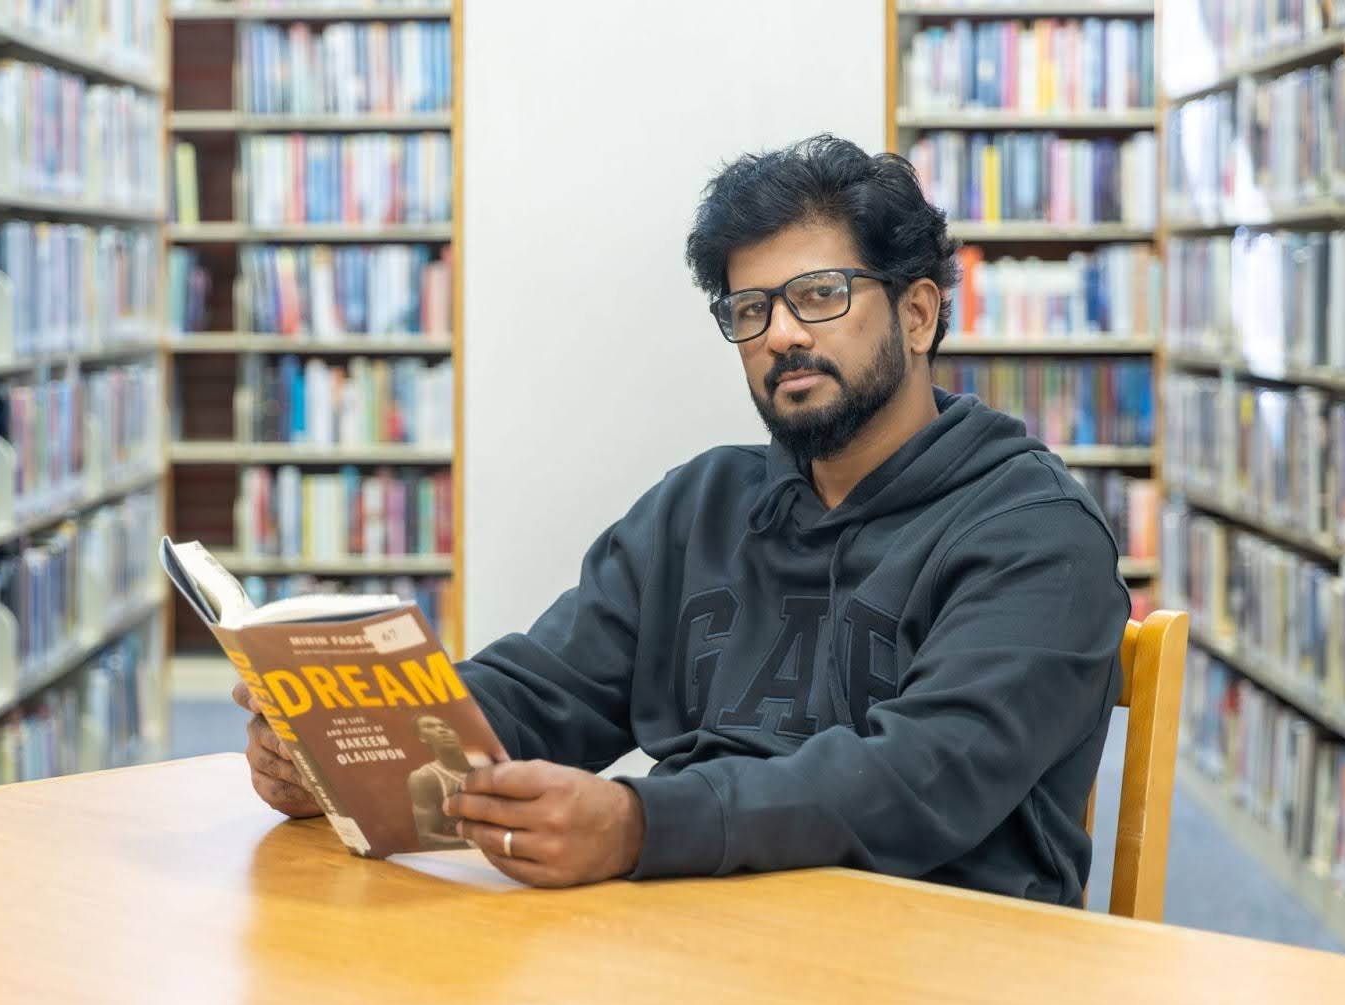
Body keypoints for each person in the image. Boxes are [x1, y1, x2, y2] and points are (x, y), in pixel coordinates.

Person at [239, 133, 1128, 902]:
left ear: (919, 312)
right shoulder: (703, 506)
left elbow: (922, 777)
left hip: (944, 965)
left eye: (820, 294)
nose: (781, 334)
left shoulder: (1035, 534)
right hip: (703, 939)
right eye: (751, 309)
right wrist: (359, 750)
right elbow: (548, 689)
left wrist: (639, 825)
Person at [407, 715, 475, 848]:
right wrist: (478, 843)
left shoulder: (488, 763)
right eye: (430, 726)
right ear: (422, 738)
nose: (441, 730)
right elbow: (427, 837)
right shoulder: (424, 777)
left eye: (445, 726)